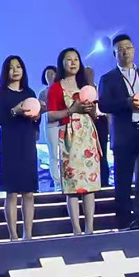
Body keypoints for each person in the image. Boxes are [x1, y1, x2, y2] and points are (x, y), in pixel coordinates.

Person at [97, 34, 139, 229]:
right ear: (114, 54)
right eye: (120, 49)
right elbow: (103, 105)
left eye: (128, 48)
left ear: (134, 50)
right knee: (123, 180)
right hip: (124, 134)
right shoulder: (108, 78)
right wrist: (126, 103)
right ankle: (123, 221)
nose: (125, 52)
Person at [46, 48, 102, 236]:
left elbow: (95, 114)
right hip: (69, 136)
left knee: (89, 185)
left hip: (87, 136)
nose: (73, 63)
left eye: (76, 59)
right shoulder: (56, 88)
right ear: (62, 63)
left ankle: (90, 228)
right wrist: (72, 110)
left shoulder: (86, 86)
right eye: (68, 59)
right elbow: (51, 115)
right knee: (72, 185)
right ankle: (76, 229)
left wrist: (91, 110)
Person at [0, 54, 41, 240]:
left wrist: (37, 116)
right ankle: (13, 235)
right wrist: (14, 111)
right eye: (11, 67)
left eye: (18, 67)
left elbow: (36, 121)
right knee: (11, 192)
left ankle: (28, 235)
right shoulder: (0, 93)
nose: (15, 70)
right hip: (9, 144)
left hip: (27, 143)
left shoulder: (29, 93)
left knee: (28, 192)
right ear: (6, 71)